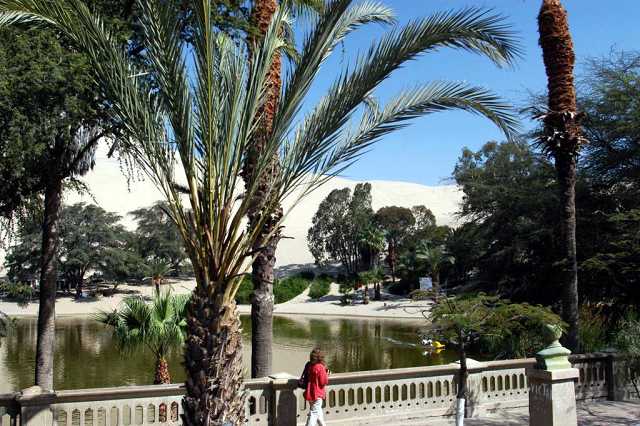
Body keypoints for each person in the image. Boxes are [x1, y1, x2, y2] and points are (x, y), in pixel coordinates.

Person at [303, 347, 329, 426]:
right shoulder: (320, 367)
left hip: (310, 392)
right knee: (314, 413)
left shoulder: (310, 366)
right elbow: (323, 382)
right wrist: (326, 374)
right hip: (317, 393)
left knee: (317, 412)